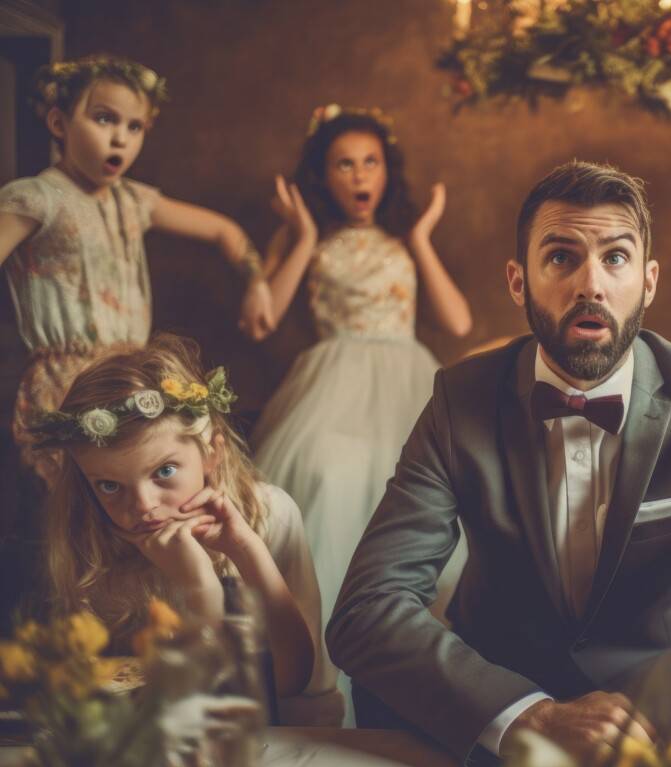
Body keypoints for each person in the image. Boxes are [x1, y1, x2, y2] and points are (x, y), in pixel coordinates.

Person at [327, 161, 671, 765]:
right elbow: (366, 608)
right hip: (505, 693)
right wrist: (527, 716)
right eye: (562, 257)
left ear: (648, 282)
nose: (590, 284)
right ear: (519, 283)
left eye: (615, 258)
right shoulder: (459, 401)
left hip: (664, 701)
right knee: (382, 685)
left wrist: (641, 711)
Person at [32, 334, 343, 725]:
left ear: (213, 452)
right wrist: (199, 588)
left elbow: (290, 680)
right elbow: (169, 713)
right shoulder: (91, 544)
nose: (143, 506)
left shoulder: (268, 515)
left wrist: (244, 553)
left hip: (287, 735)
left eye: (164, 471)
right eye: (109, 485)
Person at [250, 105, 471, 640]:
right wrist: (301, 235)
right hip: (334, 378)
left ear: (386, 171)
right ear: (323, 177)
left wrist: (421, 241)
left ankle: (425, 658)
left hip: (408, 376)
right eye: (344, 164)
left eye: (370, 162)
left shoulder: (402, 240)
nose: (359, 175)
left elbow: (459, 322)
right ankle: (324, 662)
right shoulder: (305, 236)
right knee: (331, 476)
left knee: (429, 484)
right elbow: (261, 320)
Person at [0, 55, 272, 484]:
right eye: (104, 119)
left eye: (134, 127)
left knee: (139, 509)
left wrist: (256, 282)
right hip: (64, 386)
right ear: (59, 123)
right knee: (76, 515)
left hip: (130, 381)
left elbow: (224, 231)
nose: (120, 139)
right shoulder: (36, 198)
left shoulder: (134, 201)